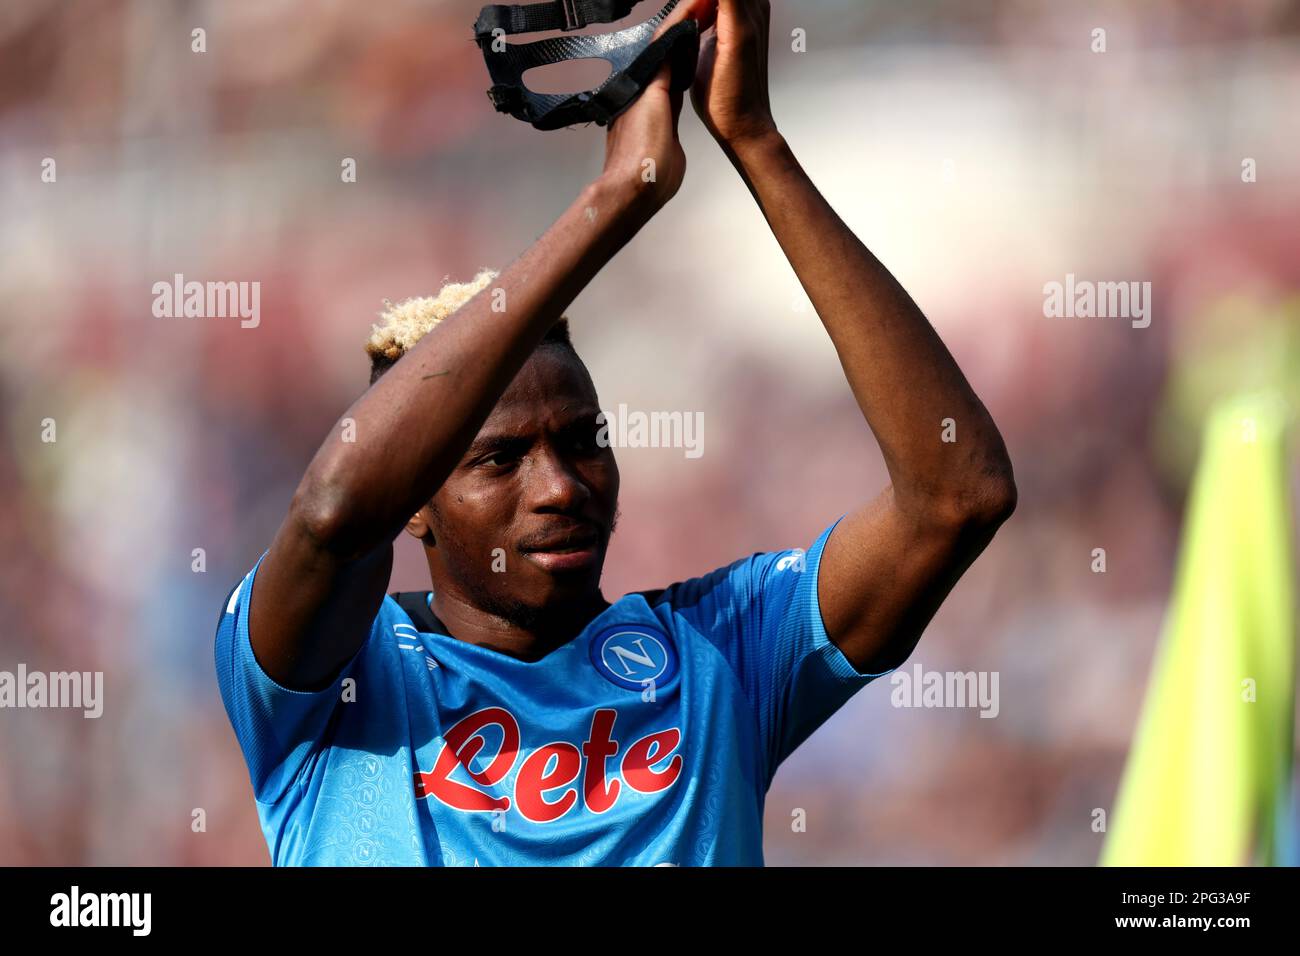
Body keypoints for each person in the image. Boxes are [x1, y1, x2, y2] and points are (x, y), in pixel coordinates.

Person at [215, 0, 1016, 866]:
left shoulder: (720, 653)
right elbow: (335, 509)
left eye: (584, 439)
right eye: (498, 459)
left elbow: (957, 496)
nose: (561, 486)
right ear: (416, 506)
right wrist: (616, 196)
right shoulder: (333, 680)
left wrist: (755, 143)